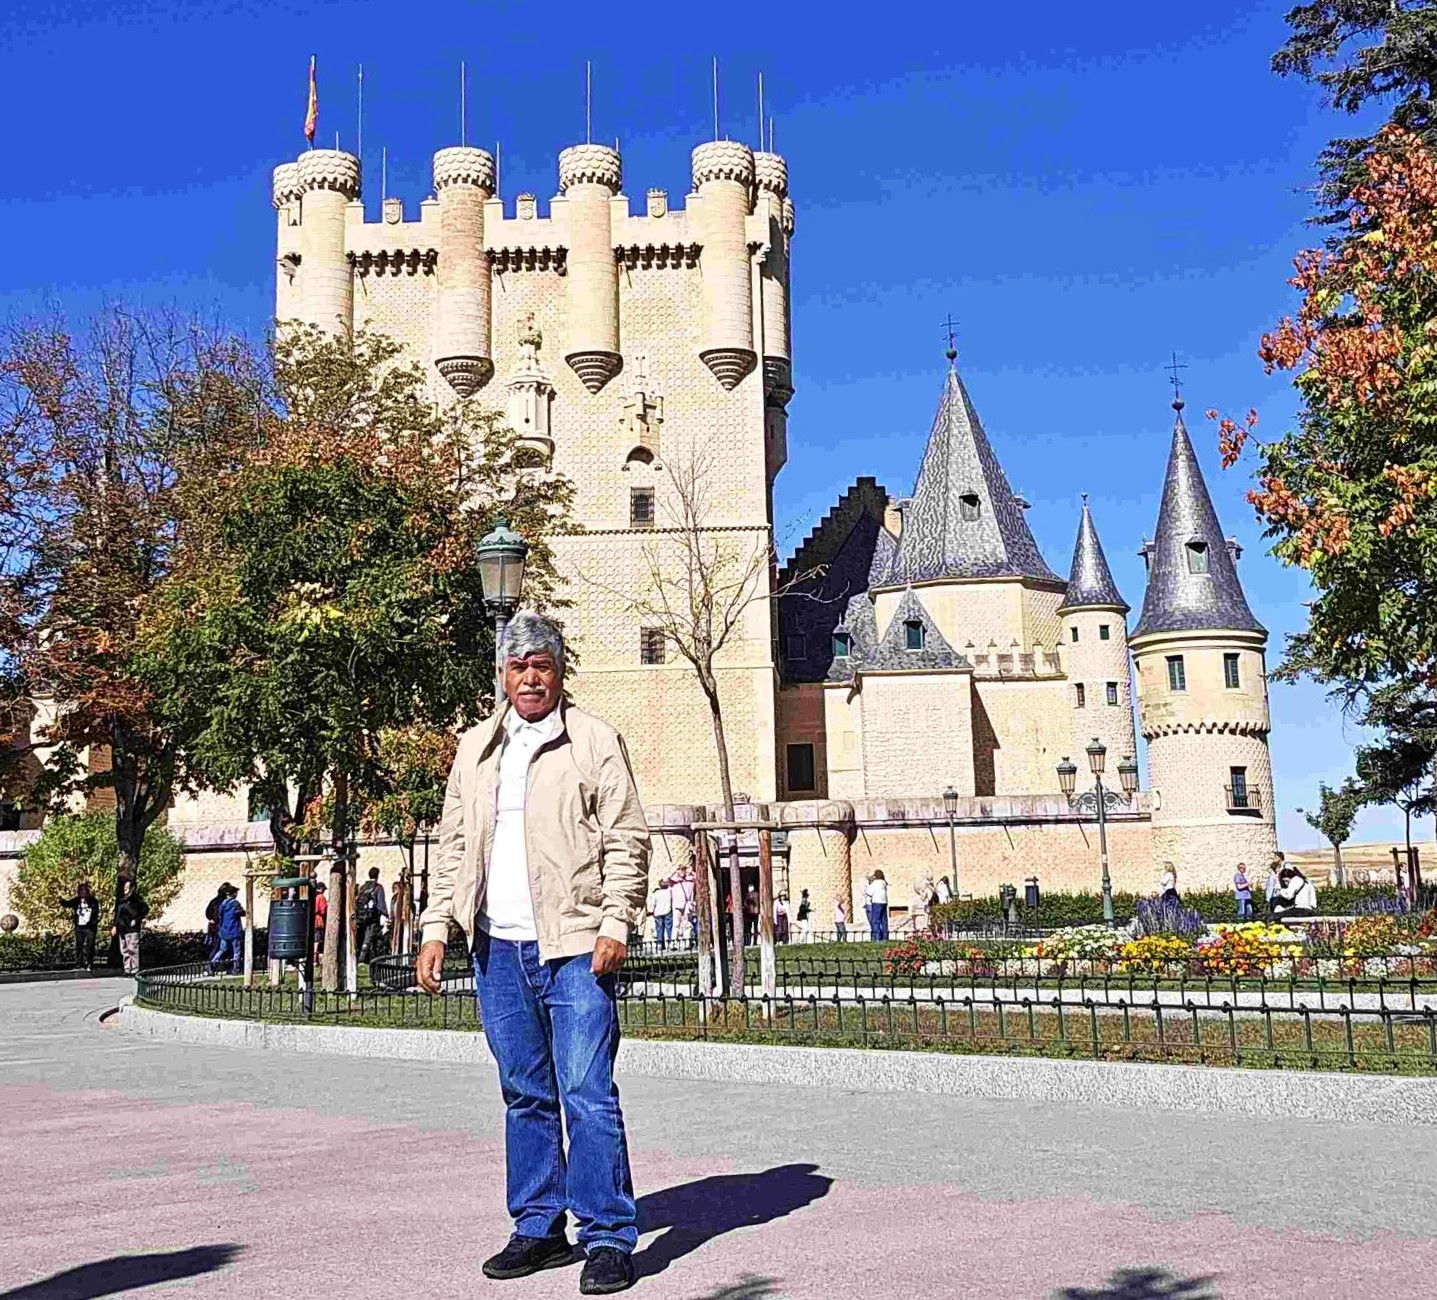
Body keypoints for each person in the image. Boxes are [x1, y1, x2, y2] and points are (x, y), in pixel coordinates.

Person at [416, 611, 648, 1295]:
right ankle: (540, 1226)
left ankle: (606, 1235)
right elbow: (452, 843)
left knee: (586, 1091)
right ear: (501, 675)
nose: (529, 678)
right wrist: (436, 928)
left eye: (540, 666)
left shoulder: (594, 741)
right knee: (524, 1093)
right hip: (496, 946)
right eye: (517, 668)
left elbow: (626, 839)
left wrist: (617, 922)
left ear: (559, 670)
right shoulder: (476, 749)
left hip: (575, 946)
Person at [58, 882, 100, 971]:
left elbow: (96, 913)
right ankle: (79, 963)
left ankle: (89, 962)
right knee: (79, 945)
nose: (82, 894)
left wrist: (92, 918)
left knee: (90, 945)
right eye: (80, 891)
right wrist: (60, 899)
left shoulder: (93, 901)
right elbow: (67, 904)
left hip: (90, 927)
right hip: (79, 927)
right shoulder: (76, 901)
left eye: (84, 891)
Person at [113, 877, 148, 976]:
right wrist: (115, 925)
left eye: (127, 887)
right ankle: (127, 969)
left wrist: (136, 920)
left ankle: (134, 970)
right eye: (125, 887)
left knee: (132, 949)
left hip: (132, 929)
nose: (125, 888)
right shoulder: (121, 900)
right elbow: (117, 914)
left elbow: (145, 910)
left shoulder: (137, 900)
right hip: (122, 929)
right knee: (124, 950)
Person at [355, 866, 389, 965]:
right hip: (373, 918)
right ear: (377, 875)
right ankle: (362, 959)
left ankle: (362, 957)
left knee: (362, 937)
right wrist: (385, 914)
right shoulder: (378, 888)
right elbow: (381, 904)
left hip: (361, 917)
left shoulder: (363, 887)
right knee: (369, 938)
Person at [210, 885, 246, 975]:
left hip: (224, 930)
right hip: (234, 930)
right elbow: (242, 912)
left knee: (222, 949)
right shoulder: (235, 904)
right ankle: (235, 968)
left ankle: (213, 963)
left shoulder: (223, 904)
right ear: (233, 894)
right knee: (236, 951)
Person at [203, 883, 232, 960]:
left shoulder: (214, 901)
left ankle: (212, 963)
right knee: (226, 946)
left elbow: (207, 913)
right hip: (223, 926)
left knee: (215, 945)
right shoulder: (227, 902)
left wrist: (211, 919)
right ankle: (227, 965)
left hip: (214, 926)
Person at [863, 871, 889, 941]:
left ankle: (877, 937)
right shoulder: (883, 883)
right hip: (884, 902)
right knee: (884, 920)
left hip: (877, 902)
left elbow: (869, 892)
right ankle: (885, 937)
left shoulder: (876, 883)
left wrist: (866, 889)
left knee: (875, 920)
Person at [649, 876, 673, 950]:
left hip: (658, 913)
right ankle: (669, 943)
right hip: (667, 911)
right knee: (669, 928)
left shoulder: (656, 893)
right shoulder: (669, 892)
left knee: (659, 928)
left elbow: (653, 903)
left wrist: (651, 911)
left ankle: (660, 944)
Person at [313, 882, 328, 959]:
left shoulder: (312, 895)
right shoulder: (321, 897)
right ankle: (315, 959)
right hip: (318, 921)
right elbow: (323, 910)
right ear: (321, 889)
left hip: (311, 921)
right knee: (317, 941)